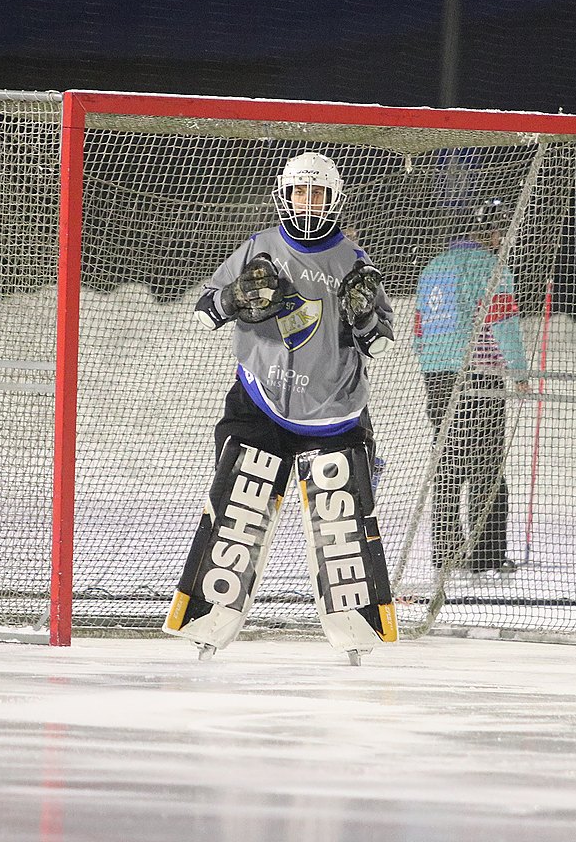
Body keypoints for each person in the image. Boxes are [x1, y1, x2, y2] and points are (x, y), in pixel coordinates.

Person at [173, 151, 395, 653]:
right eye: (299, 191)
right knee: (238, 512)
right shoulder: (260, 246)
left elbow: (379, 343)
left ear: (335, 199)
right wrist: (232, 298)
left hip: (335, 411)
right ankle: (208, 626)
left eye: (318, 193)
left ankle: (355, 633)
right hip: (261, 402)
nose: (308, 202)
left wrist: (364, 319)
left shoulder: (355, 262)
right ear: (284, 193)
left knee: (343, 529)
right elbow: (205, 310)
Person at [413, 198, 528, 574]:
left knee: (448, 463)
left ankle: (446, 551)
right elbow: (503, 320)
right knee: (487, 466)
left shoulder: (432, 268)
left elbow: (419, 329)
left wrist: (434, 366)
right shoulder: (490, 266)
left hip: (439, 376)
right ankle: (486, 554)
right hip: (479, 377)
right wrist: (519, 369)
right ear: (490, 234)